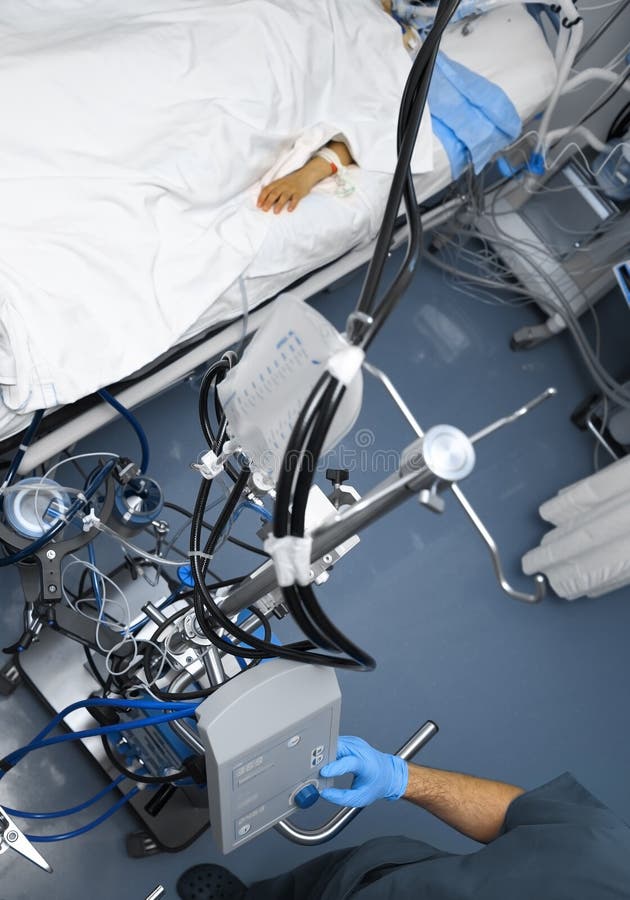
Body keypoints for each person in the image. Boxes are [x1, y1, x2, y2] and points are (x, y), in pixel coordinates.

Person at [176, 735, 630, 899]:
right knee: (301, 888)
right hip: (380, 876)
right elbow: (520, 815)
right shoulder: (613, 856)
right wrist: (400, 777)